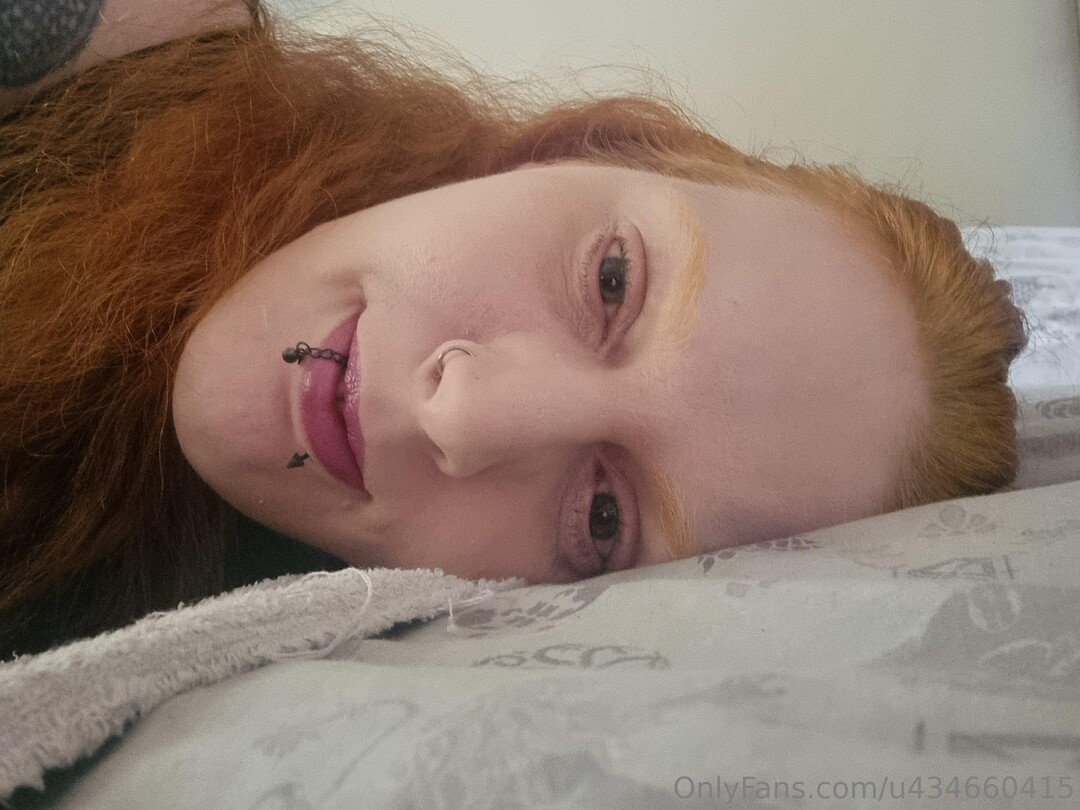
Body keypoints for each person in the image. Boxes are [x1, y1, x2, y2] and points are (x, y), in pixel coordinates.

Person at [0, 1, 1028, 658]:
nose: (462, 416)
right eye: (613, 281)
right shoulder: (116, 36)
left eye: (602, 520)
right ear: (579, 147)